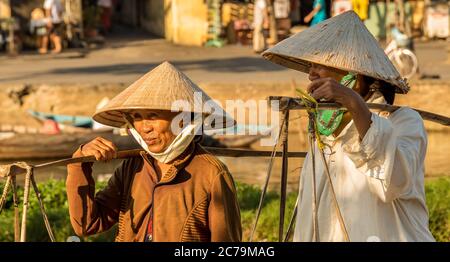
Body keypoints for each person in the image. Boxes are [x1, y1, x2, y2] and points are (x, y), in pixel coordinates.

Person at [262, 11, 435, 241]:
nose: (311, 73)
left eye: (321, 64)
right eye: (310, 66)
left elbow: (392, 182)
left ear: (356, 76)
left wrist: (354, 103)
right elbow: (310, 217)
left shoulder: (403, 122)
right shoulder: (325, 138)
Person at [66, 61, 242, 242]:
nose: (144, 128)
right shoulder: (132, 167)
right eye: (137, 117)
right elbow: (87, 225)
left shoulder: (211, 174)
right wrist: (79, 164)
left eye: (153, 116)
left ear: (183, 119)